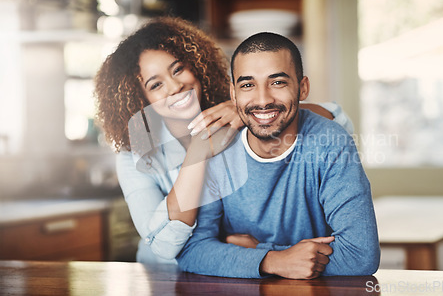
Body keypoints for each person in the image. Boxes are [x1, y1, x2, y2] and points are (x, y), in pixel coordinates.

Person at [94, 17, 353, 264]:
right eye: (155, 85)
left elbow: (338, 120)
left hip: (238, 271)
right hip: (166, 278)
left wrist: (245, 110)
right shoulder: (135, 155)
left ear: (196, 65)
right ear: (140, 99)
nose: (174, 86)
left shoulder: (239, 117)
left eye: (178, 69)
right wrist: (197, 153)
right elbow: (162, 245)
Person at [176, 32, 380, 279]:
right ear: (233, 94)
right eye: (248, 85)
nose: (263, 100)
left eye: (278, 82)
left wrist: (258, 252)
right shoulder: (217, 149)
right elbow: (192, 250)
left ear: (302, 88)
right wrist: (274, 261)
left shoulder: (332, 143)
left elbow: (361, 256)